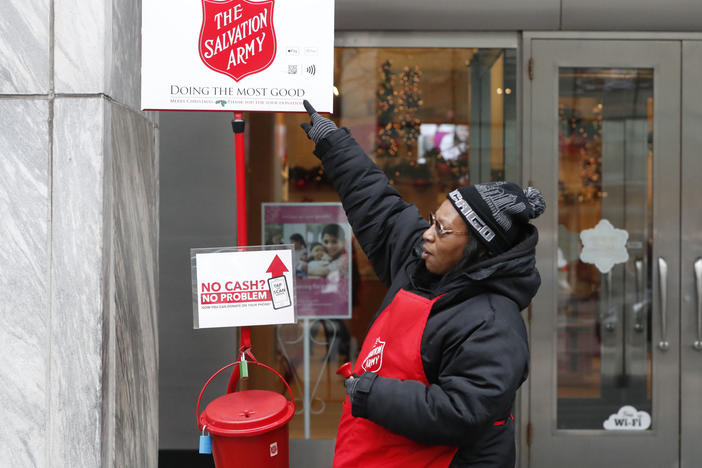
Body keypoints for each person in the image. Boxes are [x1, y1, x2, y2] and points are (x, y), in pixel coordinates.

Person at [300, 100, 545, 468]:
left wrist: (371, 394)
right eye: (433, 220)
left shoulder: (494, 323)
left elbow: (461, 411)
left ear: (477, 250)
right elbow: (379, 208)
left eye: (443, 230)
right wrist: (334, 143)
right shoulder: (421, 263)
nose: (427, 236)